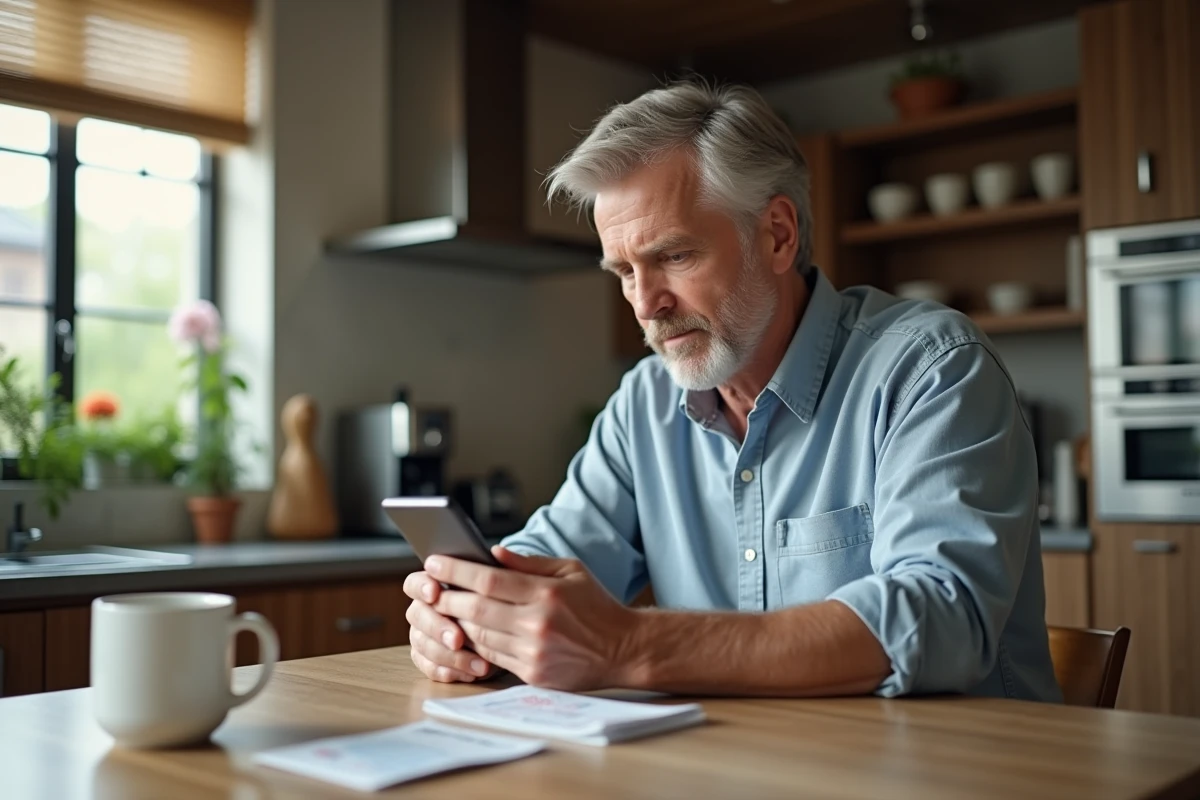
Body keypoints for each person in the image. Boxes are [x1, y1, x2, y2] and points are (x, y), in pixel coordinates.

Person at [402, 80, 1062, 702]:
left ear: (777, 235)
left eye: (674, 257)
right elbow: (547, 562)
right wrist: (471, 619)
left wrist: (630, 643)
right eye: (624, 271)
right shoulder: (645, 405)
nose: (645, 305)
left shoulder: (931, 369)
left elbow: (944, 618)